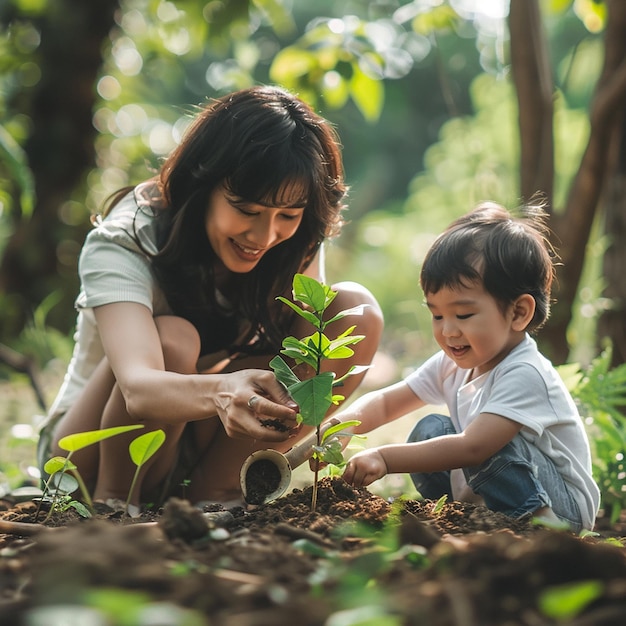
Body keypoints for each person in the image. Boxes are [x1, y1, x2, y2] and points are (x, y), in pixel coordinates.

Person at [39, 85, 383, 513]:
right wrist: (223, 390)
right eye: (247, 210)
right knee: (174, 339)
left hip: (202, 434)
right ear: (203, 183)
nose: (264, 237)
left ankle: (217, 493)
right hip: (88, 449)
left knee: (356, 310)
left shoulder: (292, 244)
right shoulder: (128, 237)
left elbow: (302, 347)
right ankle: (116, 507)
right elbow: (139, 389)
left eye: (288, 216)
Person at [338, 201, 599, 532]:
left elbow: (474, 448)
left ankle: (537, 529)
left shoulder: (525, 372)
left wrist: (386, 458)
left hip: (561, 509)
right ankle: (464, 517)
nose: (448, 331)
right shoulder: (454, 361)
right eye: (437, 315)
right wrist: (340, 426)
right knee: (430, 429)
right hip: (495, 489)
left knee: (487, 443)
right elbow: (388, 402)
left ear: (519, 312)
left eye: (463, 315)